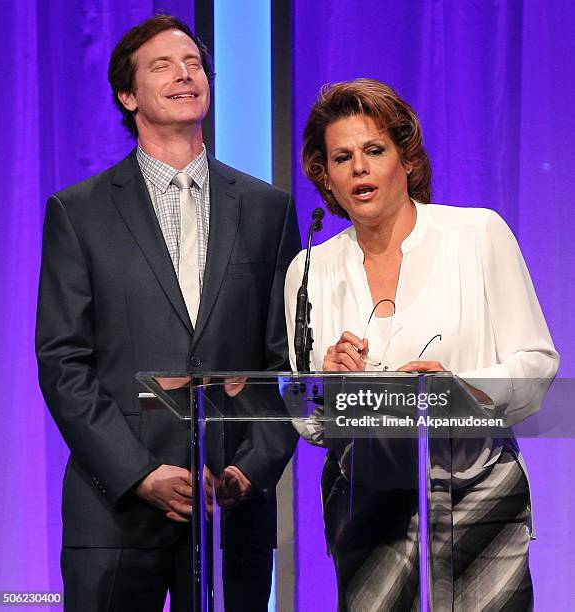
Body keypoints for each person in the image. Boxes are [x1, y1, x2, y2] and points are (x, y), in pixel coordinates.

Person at [36, 14, 300, 612]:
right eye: (163, 66)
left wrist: (252, 471)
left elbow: (285, 361)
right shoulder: (78, 212)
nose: (186, 74)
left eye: (194, 64)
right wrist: (139, 474)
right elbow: (62, 361)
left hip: (232, 504)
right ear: (128, 96)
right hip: (116, 511)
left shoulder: (266, 208)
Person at [285, 78, 559, 611]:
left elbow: (537, 365)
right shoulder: (310, 269)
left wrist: (458, 389)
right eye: (341, 158)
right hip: (367, 506)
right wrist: (329, 384)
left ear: (406, 160)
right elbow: (306, 415)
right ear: (327, 179)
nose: (358, 168)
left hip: (477, 492)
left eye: (374, 150)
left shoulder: (478, 236)